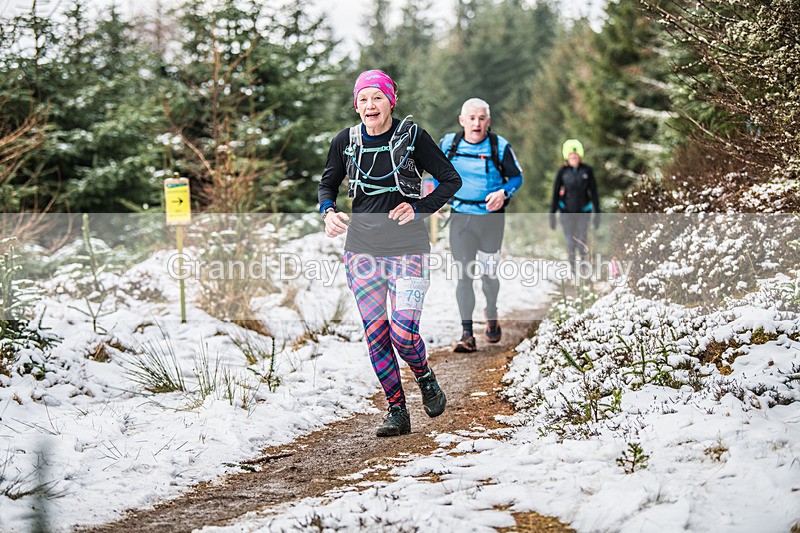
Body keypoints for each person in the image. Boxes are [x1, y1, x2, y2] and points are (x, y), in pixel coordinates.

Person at [318, 70, 462, 437]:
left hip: (409, 250)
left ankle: (425, 378)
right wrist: (328, 212)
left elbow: (451, 179)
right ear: (356, 105)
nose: (370, 105)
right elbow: (328, 184)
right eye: (363, 99)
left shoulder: (412, 137)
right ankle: (397, 410)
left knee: (402, 332)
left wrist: (420, 207)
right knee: (377, 333)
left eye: (377, 98)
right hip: (361, 253)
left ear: (391, 101)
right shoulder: (345, 141)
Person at [439, 98, 523, 353]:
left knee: (488, 275)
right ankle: (466, 334)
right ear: (462, 120)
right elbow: (435, 174)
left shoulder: (499, 146)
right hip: (461, 219)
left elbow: (517, 177)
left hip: (491, 220)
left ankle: (492, 311)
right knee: (464, 276)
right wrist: (437, 200)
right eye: (472, 118)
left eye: (482, 118)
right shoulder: (448, 144)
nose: (477, 123)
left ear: (488, 121)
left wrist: (503, 193)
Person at [549, 139, 601, 277]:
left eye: (576, 156)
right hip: (566, 212)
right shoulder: (562, 172)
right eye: (571, 156)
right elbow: (555, 193)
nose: (574, 158)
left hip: (584, 211)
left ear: (580, 156)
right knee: (570, 242)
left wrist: (598, 214)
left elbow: (594, 193)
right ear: (567, 157)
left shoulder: (587, 171)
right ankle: (572, 270)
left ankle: (584, 270)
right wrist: (552, 215)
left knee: (582, 241)